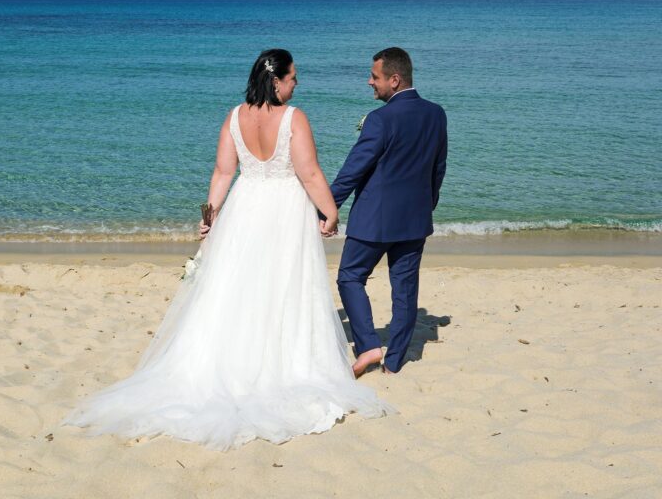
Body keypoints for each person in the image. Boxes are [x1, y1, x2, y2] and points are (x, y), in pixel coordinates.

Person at [61, 49, 393, 451]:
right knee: (284, 285)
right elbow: (308, 172)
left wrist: (211, 214)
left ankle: (236, 360)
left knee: (239, 285)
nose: (296, 84)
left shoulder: (234, 116)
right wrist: (329, 211)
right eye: (292, 78)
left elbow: (223, 172)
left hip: (245, 207)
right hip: (284, 211)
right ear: (277, 81)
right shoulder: (294, 118)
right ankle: (278, 363)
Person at [325, 47, 448, 377]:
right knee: (405, 287)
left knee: (350, 276)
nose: (370, 82)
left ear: (395, 80)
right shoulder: (437, 114)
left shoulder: (379, 120)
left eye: (375, 77)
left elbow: (353, 171)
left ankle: (368, 346)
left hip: (373, 221)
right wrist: (427, 205)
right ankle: (395, 362)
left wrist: (326, 208)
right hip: (415, 220)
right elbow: (438, 168)